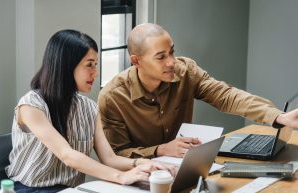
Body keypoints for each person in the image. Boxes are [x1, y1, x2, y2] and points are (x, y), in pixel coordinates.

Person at [5, 29, 174, 193]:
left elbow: (109, 158)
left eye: (96, 64)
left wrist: (142, 164)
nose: (96, 72)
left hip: (70, 189)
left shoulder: (89, 107)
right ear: (66, 66)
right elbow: (67, 155)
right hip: (28, 189)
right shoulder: (31, 105)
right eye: (89, 65)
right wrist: (121, 177)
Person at [98, 23, 298, 159]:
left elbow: (226, 95)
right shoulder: (113, 97)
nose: (171, 62)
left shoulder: (185, 71)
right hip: (140, 179)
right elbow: (116, 154)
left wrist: (279, 117)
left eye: (172, 52)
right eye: (161, 57)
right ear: (136, 61)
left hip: (185, 167)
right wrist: (160, 150)